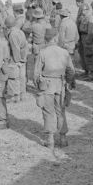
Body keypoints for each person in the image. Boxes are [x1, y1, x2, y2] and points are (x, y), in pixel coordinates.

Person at [33, 27, 76, 156]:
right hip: (61, 84)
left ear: (46, 39)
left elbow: (36, 74)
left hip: (46, 85)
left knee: (48, 112)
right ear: (55, 38)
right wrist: (68, 82)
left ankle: (50, 139)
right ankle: (63, 138)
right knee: (61, 110)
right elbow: (71, 71)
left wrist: (38, 86)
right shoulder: (64, 52)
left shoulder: (42, 53)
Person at [4, 14, 28, 101]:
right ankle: (22, 95)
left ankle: (13, 96)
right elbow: (25, 45)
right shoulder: (20, 31)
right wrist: (23, 59)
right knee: (22, 78)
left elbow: (15, 48)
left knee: (13, 78)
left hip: (15, 59)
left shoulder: (12, 34)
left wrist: (17, 61)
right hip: (22, 58)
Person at [28, 8, 50, 85]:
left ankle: (37, 82)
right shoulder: (47, 24)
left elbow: (29, 34)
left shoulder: (34, 25)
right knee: (45, 64)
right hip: (45, 45)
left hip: (37, 46)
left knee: (37, 65)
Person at [78, 3, 93, 81]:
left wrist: (88, 41)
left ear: (87, 10)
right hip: (83, 37)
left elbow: (91, 32)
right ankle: (86, 71)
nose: (82, 11)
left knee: (89, 56)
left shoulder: (90, 18)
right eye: (81, 9)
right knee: (84, 56)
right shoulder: (83, 17)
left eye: (83, 10)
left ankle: (91, 74)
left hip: (87, 38)